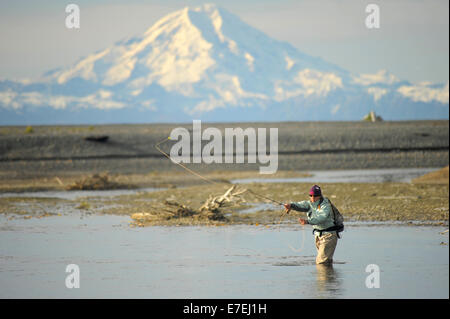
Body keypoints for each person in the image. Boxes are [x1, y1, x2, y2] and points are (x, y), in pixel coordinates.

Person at [284, 185, 338, 265]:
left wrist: (307, 221)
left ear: (319, 196)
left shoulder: (325, 205)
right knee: (326, 262)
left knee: (321, 262)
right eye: (311, 195)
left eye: (315, 195)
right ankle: (329, 277)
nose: (312, 197)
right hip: (318, 236)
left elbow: (322, 217)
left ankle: (325, 277)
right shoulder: (309, 204)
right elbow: (300, 205)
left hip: (329, 236)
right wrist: (291, 205)